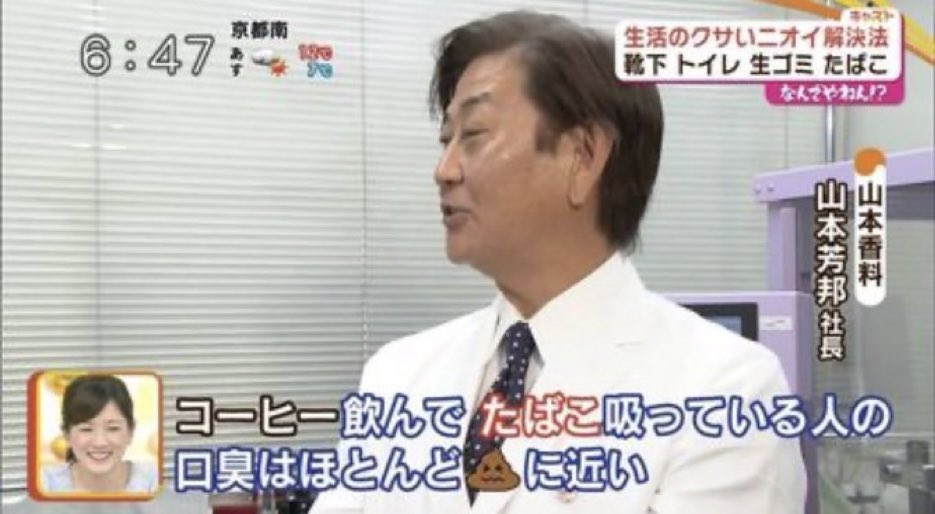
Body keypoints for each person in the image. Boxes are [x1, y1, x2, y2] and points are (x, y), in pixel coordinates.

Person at [311, 10, 806, 514]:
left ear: (583, 156)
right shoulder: (397, 375)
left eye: (474, 134)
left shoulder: (728, 393)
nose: (444, 169)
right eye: (445, 140)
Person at [41, 374, 158, 495]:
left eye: (113, 428)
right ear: (67, 435)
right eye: (86, 429)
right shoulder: (45, 483)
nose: (100, 442)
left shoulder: (154, 480)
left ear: (131, 432)